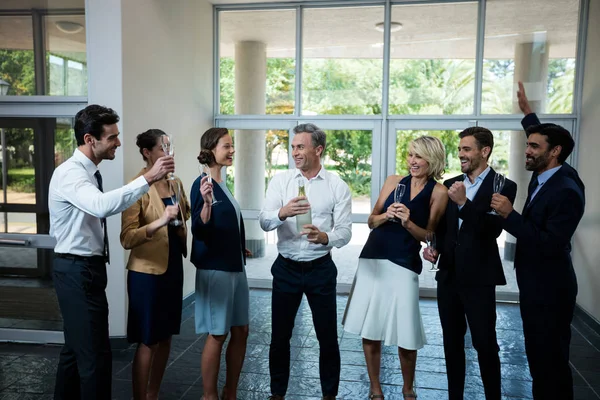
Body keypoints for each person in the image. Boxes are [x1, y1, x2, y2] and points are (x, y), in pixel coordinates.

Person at [49, 105, 174, 400]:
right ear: (90, 139)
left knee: (74, 353)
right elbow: (102, 205)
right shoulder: (70, 174)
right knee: (95, 358)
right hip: (76, 271)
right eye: (112, 137)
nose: (119, 142)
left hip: (85, 270)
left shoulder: (88, 173)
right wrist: (148, 178)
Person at [491, 85, 586, 400]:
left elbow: (550, 242)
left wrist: (510, 216)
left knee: (550, 362)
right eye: (527, 144)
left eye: (533, 146)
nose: (527, 150)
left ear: (555, 151)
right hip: (536, 286)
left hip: (551, 289)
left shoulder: (567, 190)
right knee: (538, 358)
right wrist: (528, 113)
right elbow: (538, 132)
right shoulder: (549, 170)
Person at [343, 136, 448, 400]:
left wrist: (408, 222)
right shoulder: (392, 181)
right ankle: (375, 388)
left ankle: (408, 389)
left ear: (432, 159)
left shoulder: (439, 192)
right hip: (373, 258)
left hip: (404, 263)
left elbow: (429, 236)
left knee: (406, 330)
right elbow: (370, 221)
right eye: (410, 155)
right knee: (371, 327)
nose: (412, 161)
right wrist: (386, 216)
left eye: (418, 156)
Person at [259, 123, 352, 400]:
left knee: (327, 337)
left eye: (301, 147)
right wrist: (283, 212)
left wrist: (324, 237)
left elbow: (345, 232)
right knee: (279, 338)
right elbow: (264, 221)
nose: (295, 152)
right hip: (286, 268)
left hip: (320, 270)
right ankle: (277, 394)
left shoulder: (337, 185)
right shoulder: (280, 181)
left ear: (318, 149)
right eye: (293, 147)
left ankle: (329, 395)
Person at [424, 128, 517, 400]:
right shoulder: (451, 184)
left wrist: (464, 203)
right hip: (449, 276)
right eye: (460, 149)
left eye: (466, 149)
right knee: (451, 343)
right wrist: (434, 248)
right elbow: (444, 228)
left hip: (479, 278)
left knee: (485, 343)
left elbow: (493, 230)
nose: (460, 154)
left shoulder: (503, 186)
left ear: (484, 151)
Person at [120, 129, 190, 400]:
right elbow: (127, 238)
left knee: (166, 336)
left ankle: (153, 394)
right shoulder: (135, 187)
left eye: (170, 147)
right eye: (162, 148)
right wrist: (160, 221)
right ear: (148, 153)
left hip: (173, 268)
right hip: (146, 275)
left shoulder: (176, 183)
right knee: (148, 339)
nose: (168, 153)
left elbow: (185, 215)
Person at [190, 127, 250, 400]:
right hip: (216, 270)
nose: (232, 150)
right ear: (211, 149)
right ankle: (209, 395)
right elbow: (199, 229)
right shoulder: (201, 185)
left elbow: (227, 223)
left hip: (235, 266)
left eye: (232, 145)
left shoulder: (223, 185)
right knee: (218, 334)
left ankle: (231, 391)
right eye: (227, 146)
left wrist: (239, 246)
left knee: (241, 330)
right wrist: (205, 204)